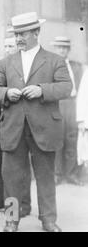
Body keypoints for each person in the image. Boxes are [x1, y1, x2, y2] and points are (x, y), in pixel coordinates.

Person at [0, 12, 72, 232]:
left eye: (23, 34)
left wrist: (41, 90)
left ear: (36, 33)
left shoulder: (55, 60)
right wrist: (7, 93)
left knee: (45, 176)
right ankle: (11, 221)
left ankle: (48, 220)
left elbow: (66, 87)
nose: (18, 38)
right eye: (16, 34)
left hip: (45, 128)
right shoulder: (5, 62)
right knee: (11, 178)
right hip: (13, 128)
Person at [0, 37, 32, 216]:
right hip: (1, 122)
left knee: (20, 166)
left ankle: (23, 206)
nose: (7, 49)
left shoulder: (25, 65)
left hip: (21, 123)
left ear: (18, 47)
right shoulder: (2, 65)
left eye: (10, 46)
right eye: (5, 46)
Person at [51, 36, 85, 186]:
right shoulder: (49, 66)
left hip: (73, 104)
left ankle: (71, 174)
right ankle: (57, 174)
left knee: (73, 139)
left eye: (65, 48)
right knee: (58, 139)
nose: (62, 50)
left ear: (68, 50)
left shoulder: (76, 66)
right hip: (58, 104)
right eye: (60, 47)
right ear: (55, 49)